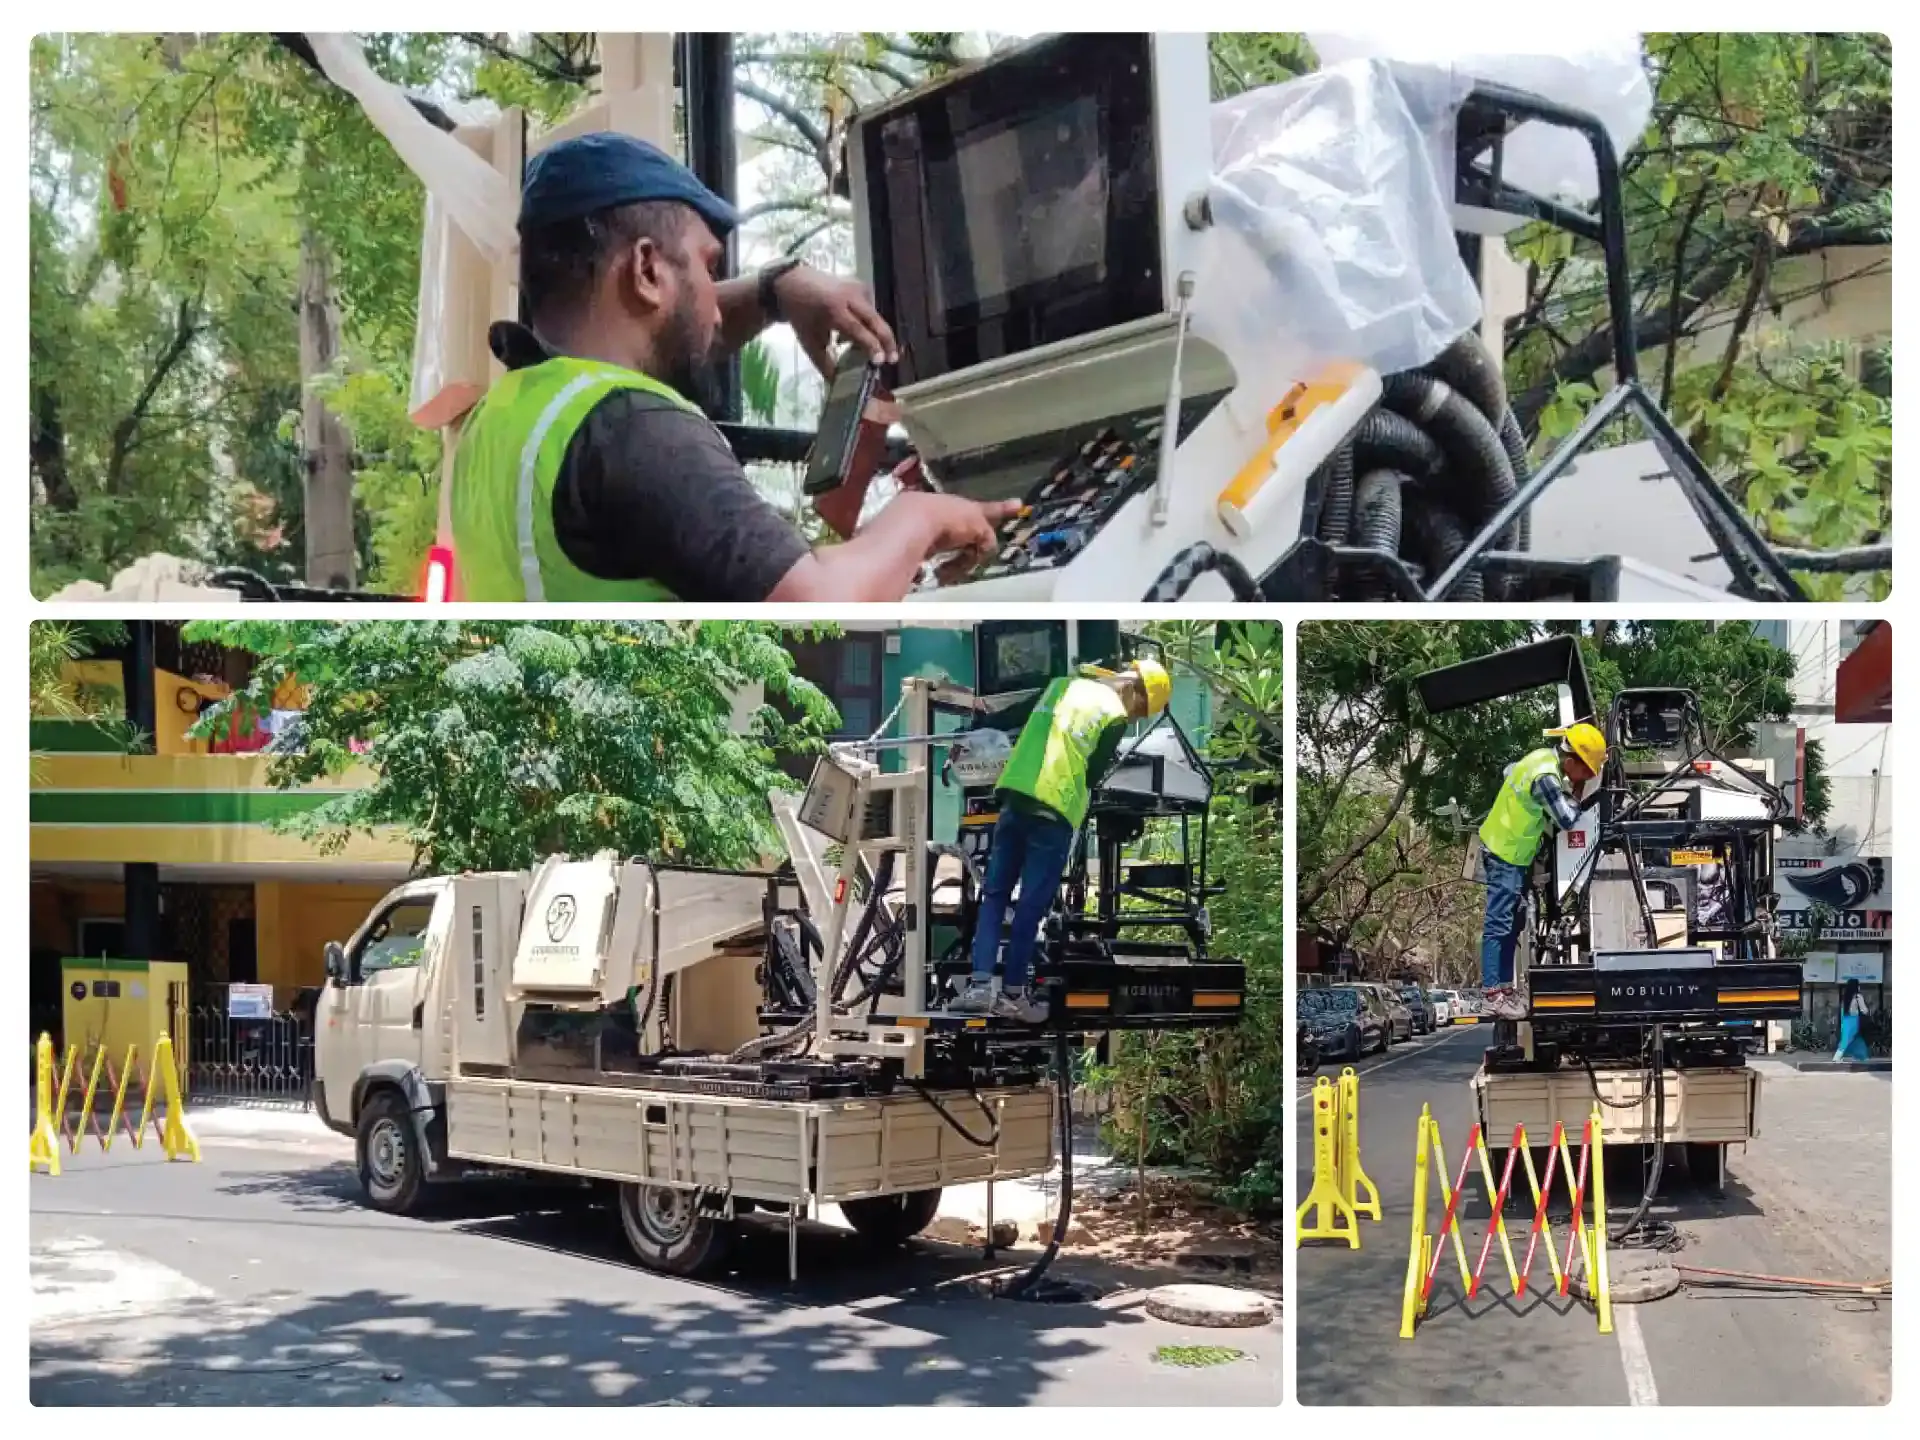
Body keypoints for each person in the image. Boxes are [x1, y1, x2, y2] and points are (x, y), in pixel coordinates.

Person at [449, 132, 1017, 602]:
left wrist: (775, 292)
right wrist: (918, 518)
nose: (715, 306)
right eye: (707, 264)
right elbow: (818, 606)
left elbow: (675, 336)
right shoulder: (634, 429)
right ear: (647, 268)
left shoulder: (504, 420)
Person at [948, 660, 1173, 1022]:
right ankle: (1013, 994)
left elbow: (1013, 717)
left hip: (1014, 797)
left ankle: (978, 987)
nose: (1134, 718)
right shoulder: (1113, 715)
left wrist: (974, 725)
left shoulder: (1060, 685)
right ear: (1136, 692)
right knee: (1030, 907)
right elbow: (1095, 774)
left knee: (994, 896)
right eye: (1141, 711)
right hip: (1053, 812)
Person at [1476, 722, 1607, 1022]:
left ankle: (1504, 990)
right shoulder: (1546, 778)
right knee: (1499, 924)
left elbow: (1509, 771)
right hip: (1504, 853)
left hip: (1513, 854)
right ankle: (1492, 995)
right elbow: (1567, 819)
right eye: (1587, 772)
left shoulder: (1541, 758)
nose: (1588, 778)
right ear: (1571, 760)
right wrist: (1578, 789)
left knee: (1513, 922)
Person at [1834, 978, 1871, 1062]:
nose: (1859, 987)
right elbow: (1864, 1010)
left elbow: (1842, 1011)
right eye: (1858, 985)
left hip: (1845, 1020)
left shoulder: (1845, 997)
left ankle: (1861, 1056)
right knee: (1848, 1039)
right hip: (1853, 1020)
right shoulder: (1858, 996)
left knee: (1852, 1039)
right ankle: (1837, 1057)